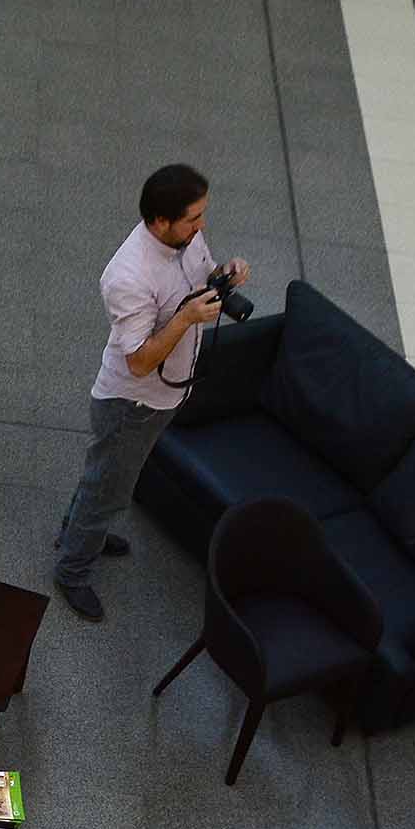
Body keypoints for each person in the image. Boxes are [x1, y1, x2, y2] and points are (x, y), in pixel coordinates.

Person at [54, 163, 250, 623]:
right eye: (193, 218)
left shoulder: (184, 239)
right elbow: (138, 360)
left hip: (163, 396)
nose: (201, 226)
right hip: (132, 404)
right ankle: (72, 568)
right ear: (160, 221)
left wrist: (224, 275)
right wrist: (185, 319)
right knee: (109, 488)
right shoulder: (128, 277)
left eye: (202, 216)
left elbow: (198, 277)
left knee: (105, 478)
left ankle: (80, 531)